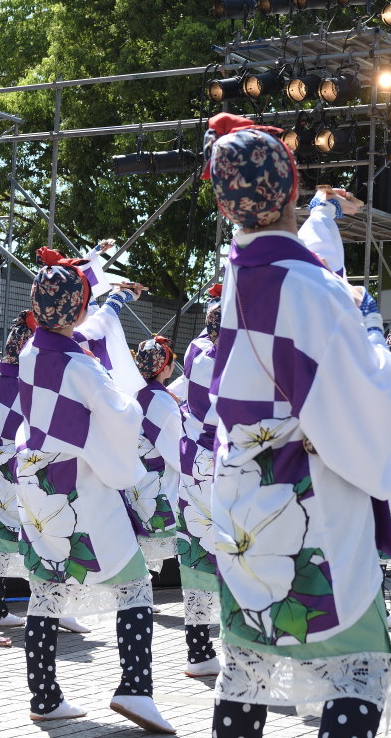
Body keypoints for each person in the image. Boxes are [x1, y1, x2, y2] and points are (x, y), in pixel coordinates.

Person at [201, 113, 391, 738]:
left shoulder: (240, 273)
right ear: (290, 189)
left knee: (247, 656)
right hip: (308, 493)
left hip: (242, 490)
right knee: (359, 659)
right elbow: (356, 398)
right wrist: (376, 336)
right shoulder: (307, 284)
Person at [14, 250, 174, 732]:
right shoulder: (82, 367)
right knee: (133, 583)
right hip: (78, 481)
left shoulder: (29, 351)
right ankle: (136, 688)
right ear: (78, 310)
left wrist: (115, 296)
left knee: (45, 588)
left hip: (36, 480)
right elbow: (124, 419)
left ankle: (44, 696)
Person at [174, 283, 224, 675]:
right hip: (223, 460)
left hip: (191, 459)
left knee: (195, 546)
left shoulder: (195, 348)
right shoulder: (230, 356)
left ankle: (198, 648)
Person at [0, 310, 36, 630]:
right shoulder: (24, 381)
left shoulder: (1, 371)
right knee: (41, 531)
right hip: (12, 463)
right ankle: (50, 604)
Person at [127, 336, 183, 577]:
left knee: (135, 544)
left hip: (132, 476)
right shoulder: (161, 400)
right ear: (167, 368)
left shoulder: (130, 391)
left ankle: (138, 604)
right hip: (156, 481)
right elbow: (178, 450)